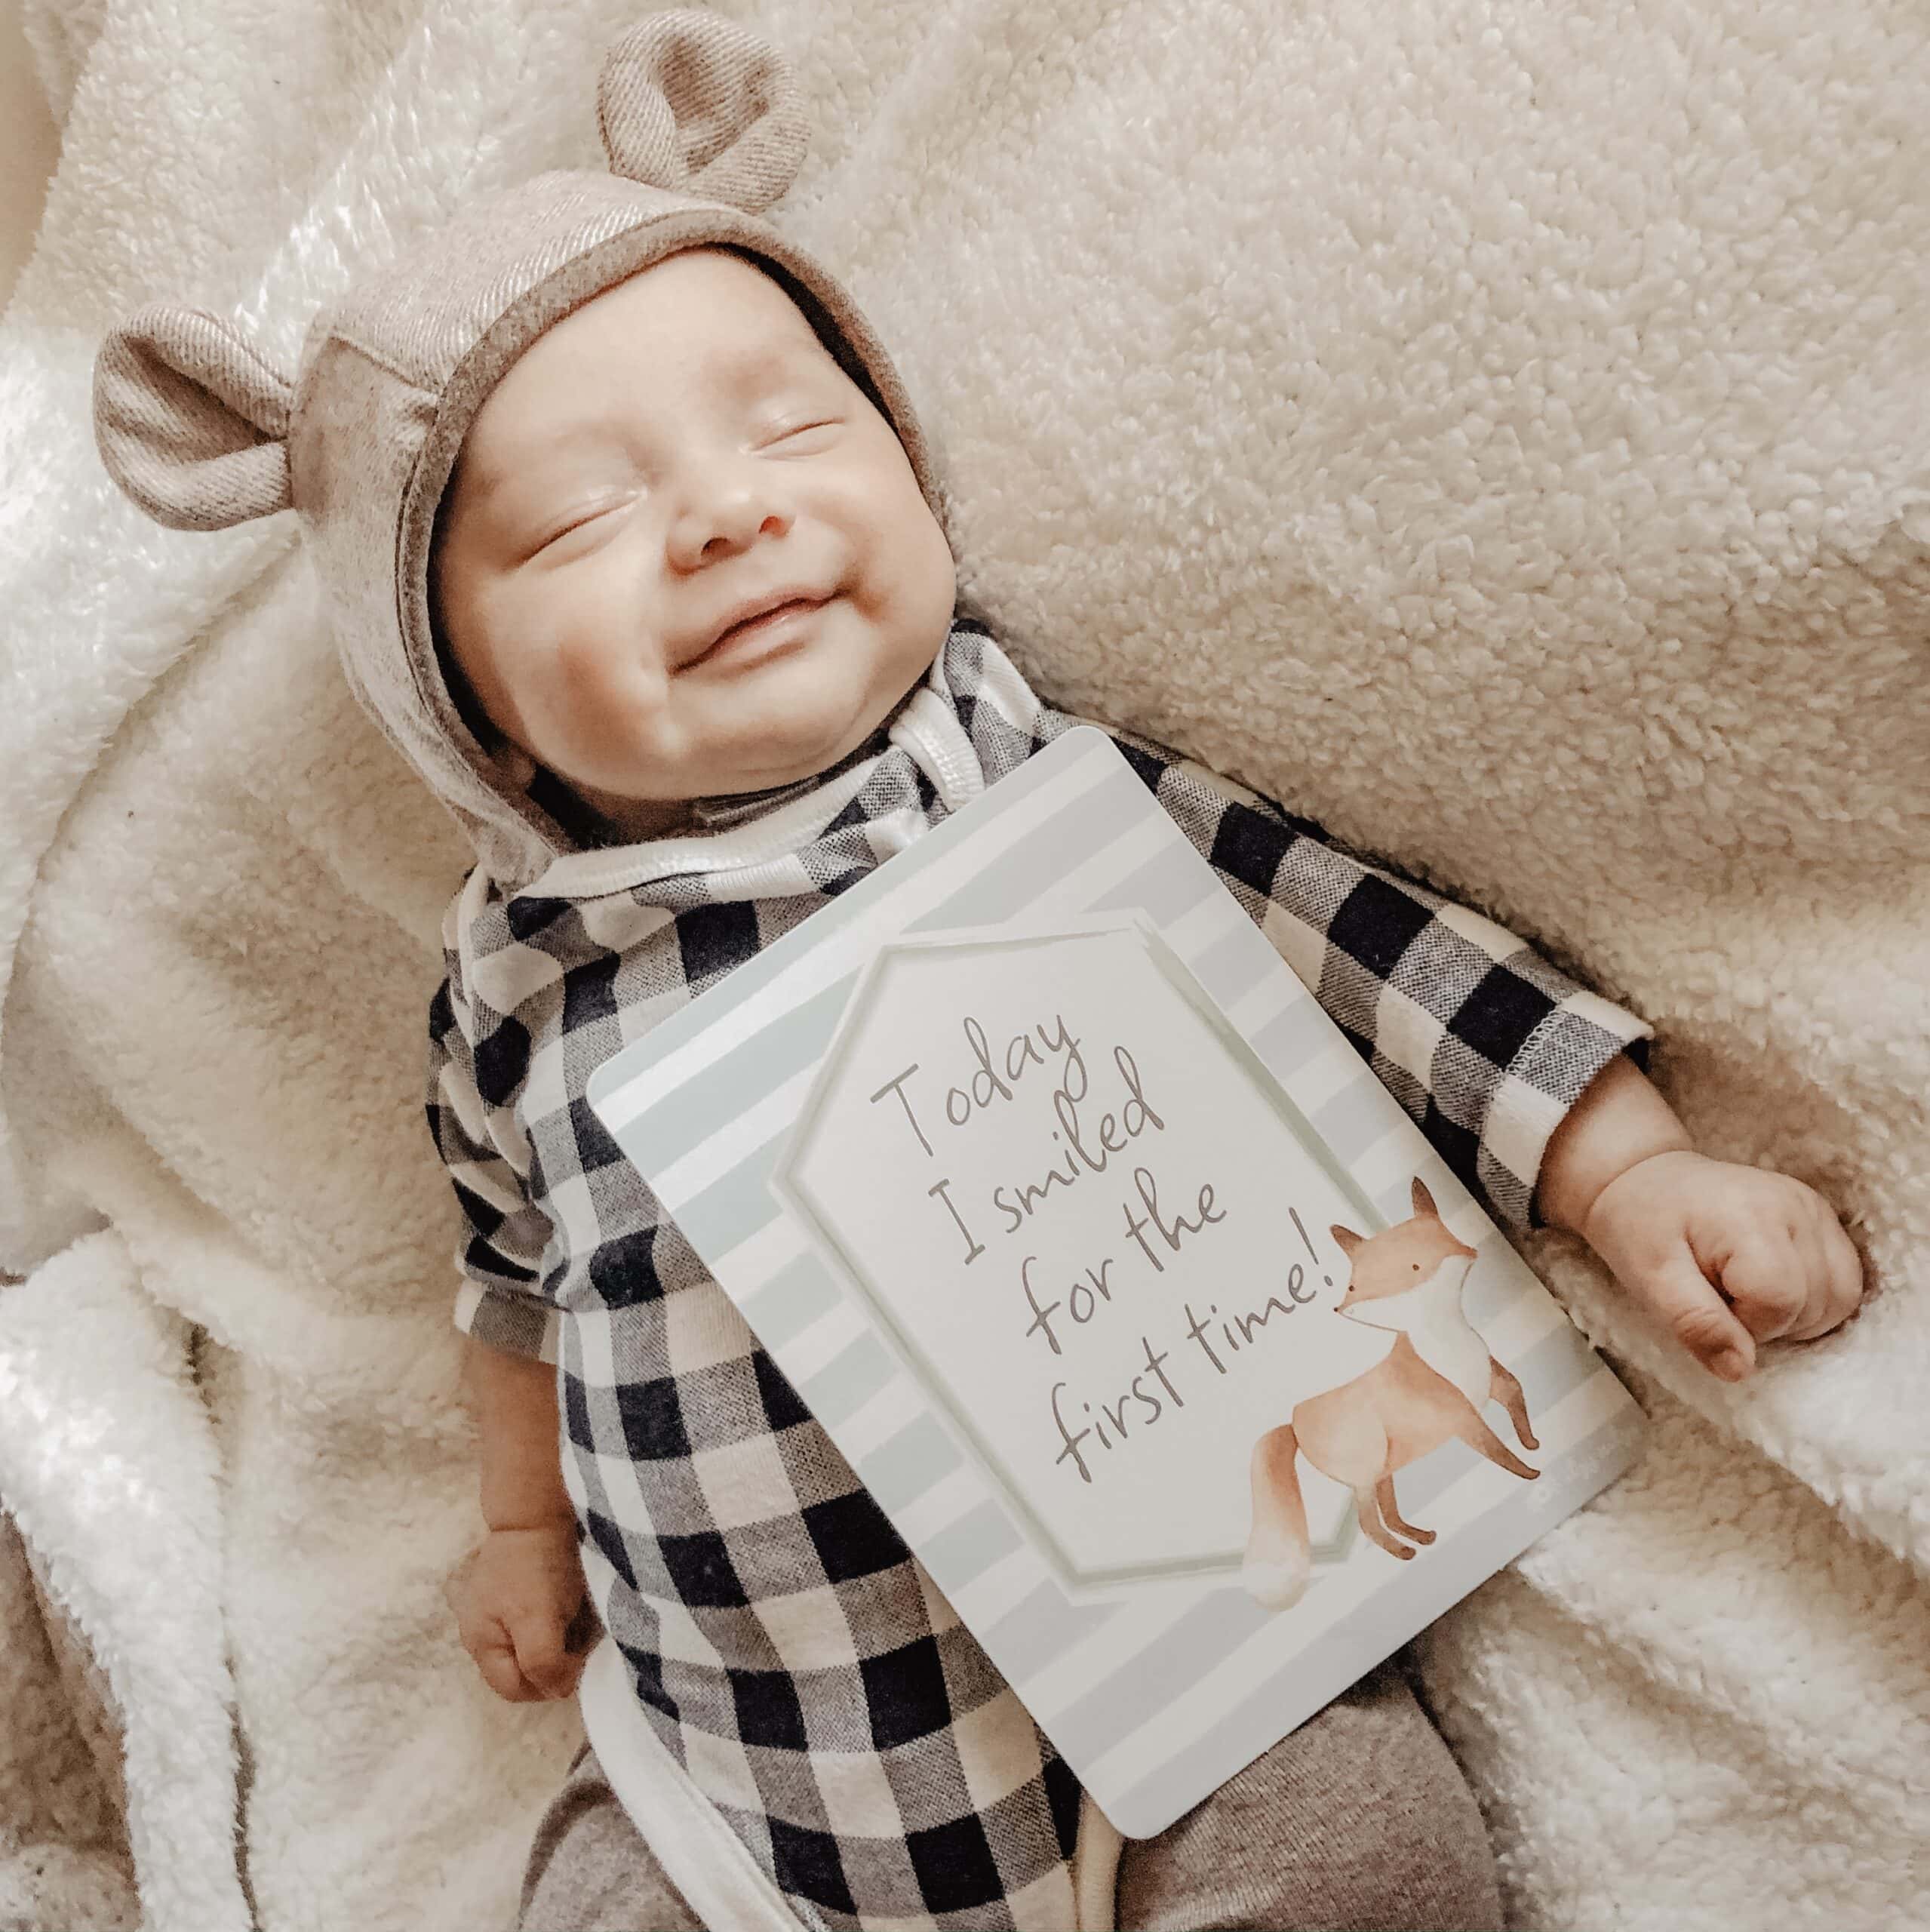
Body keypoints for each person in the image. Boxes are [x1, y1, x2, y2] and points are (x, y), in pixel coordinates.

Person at [90, 14, 1865, 1929]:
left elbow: (1372, 952)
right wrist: (523, 1526)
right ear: (474, 723)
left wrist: (1628, 1170)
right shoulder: (517, 988)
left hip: (1199, 1683)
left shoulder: (1040, 799)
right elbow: (511, 1277)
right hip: (735, 1778)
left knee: (1371, 1863)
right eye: (585, 519)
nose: (727, 510)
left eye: (792, 426)